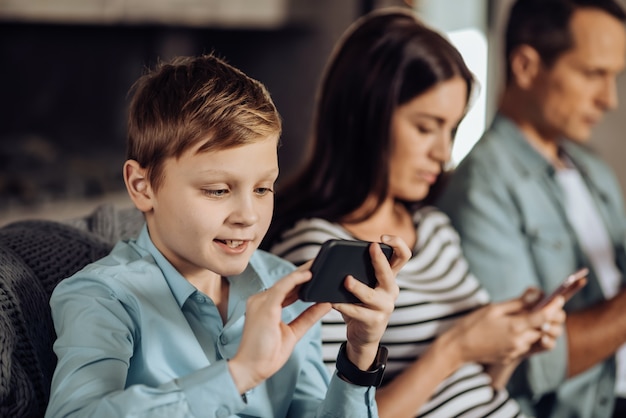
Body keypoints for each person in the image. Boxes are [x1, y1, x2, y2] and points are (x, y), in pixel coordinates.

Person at [44, 53, 412, 418]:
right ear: (142, 187)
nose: (248, 216)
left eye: (263, 189)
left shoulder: (284, 288)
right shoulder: (103, 297)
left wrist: (359, 358)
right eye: (218, 190)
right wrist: (239, 374)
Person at [263, 8, 566, 418]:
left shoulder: (434, 227)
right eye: (426, 127)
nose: (443, 153)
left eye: (452, 129)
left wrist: (511, 343)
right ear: (366, 116)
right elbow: (337, 412)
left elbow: (478, 385)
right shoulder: (316, 251)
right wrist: (455, 348)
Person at [437, 0, 626, 417]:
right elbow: (529, 363)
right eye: (593, 74)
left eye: (614, 77)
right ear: (525, 66)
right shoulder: (481, 187)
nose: (609, 99)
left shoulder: (593, 169)